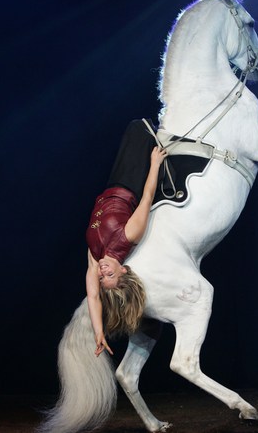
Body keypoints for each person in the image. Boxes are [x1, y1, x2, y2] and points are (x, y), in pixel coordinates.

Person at [85, 119, 167, 357]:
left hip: (112, 183)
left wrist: (98, 332)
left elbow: (92, 296)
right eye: (108, 274)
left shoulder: (95, 257)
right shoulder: (128, 236)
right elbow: (147, 197)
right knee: (142, 129)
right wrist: (154, 164)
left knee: (133, 126)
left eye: (101, 277)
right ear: (123, 270)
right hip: (133, 181)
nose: (101, 272)